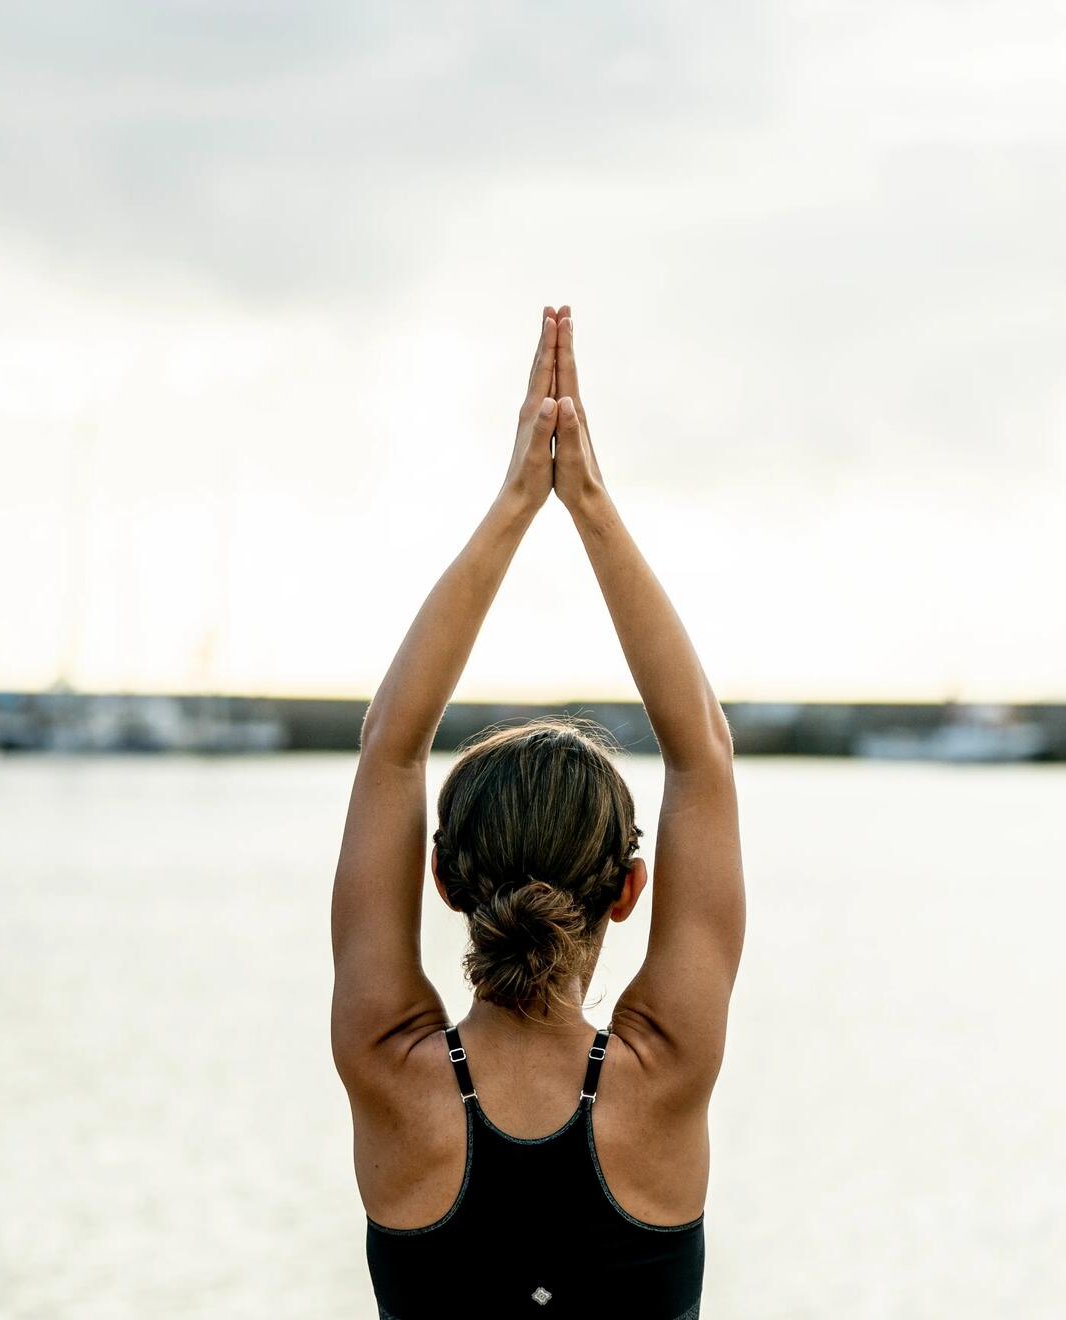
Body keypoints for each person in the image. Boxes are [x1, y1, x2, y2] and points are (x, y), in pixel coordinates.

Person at [329, 306, 744, 1318]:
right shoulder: (665, 1071)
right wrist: (586, 500)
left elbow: (392, 744)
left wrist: (517, 500)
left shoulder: (393, 1071)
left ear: (441, 879)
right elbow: (703, 754)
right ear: (630, 890)